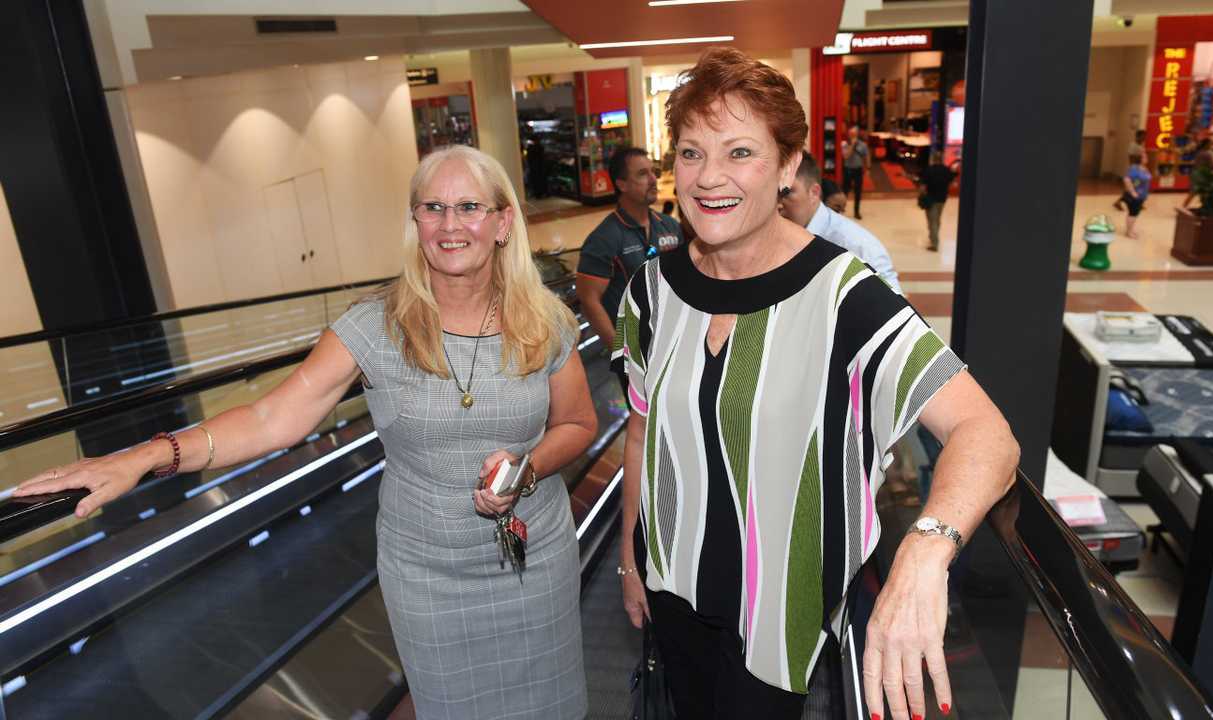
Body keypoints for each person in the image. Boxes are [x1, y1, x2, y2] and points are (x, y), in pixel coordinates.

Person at [17, 145, 598, 720]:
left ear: (502, 223)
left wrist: (527, 468)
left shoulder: (543, 320)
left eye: (469, 206)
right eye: (432, 207)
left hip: (532, 561)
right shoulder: (375, 327)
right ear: (415, 221)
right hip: (429, 578)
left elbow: (577, 423)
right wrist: (145, 456)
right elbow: (273, 418)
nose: (450, 225)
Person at [614, 47, 1019, 720]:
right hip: (672, 589)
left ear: (788, 166)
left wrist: (924, 553)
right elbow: (639, 431)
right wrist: (631, 561)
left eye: (740, 152)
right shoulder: (654, 290)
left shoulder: (841, 295)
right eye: (690, 153)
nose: (709, 177)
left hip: (777, 622)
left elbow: (989, 435)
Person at [576, 147, 682, 358]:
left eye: (653, 171)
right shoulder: (603, 239)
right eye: (643, 174)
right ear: (621, 184)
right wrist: (621, 355)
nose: (653, 179)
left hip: (672, 345)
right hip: (635, 353)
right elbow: (589, 300)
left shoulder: (670, 227)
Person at [780, 151, 901, 293]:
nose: (777, 203)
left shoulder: (858, 246)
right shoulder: (773, 237)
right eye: (771, 193)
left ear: (814, 192)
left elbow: (892, 308)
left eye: (786, 192)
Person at [917, 152, 958, 251]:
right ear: (941, 159)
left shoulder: (928, 170)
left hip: (931, 199)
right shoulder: (946, 170)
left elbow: (922, 186)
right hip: (942, 199)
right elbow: (953, 183)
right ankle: (933, 238)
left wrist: (921, 195)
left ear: (933, 159)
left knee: (932, 221)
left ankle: (934, 244)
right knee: (937, 219)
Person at [842, 125, 871, 219]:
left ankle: (856, 211)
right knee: (845, 191)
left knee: (858, 192)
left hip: (858, 170)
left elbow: (867, 157)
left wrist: (868, 168)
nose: (852, 135)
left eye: (854, 133)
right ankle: (841, 210)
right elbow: (846, 156)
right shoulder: (844, 144)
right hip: (847, 170)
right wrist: (853, 145)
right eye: (851, 133)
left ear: (857, 134)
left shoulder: (863, 145)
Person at [1121, 152, 1152, 239]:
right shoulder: (1134, 168)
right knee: (1133, 213)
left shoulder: (1144, 168)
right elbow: (1127, 179)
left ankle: (1130, 229)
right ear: (1140, 158)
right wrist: (1133, 192)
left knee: (1135, 213)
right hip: (1134, 196)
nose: (1146, 158)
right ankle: (1129, 232)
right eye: (1144, 157)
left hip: (1141, 195)